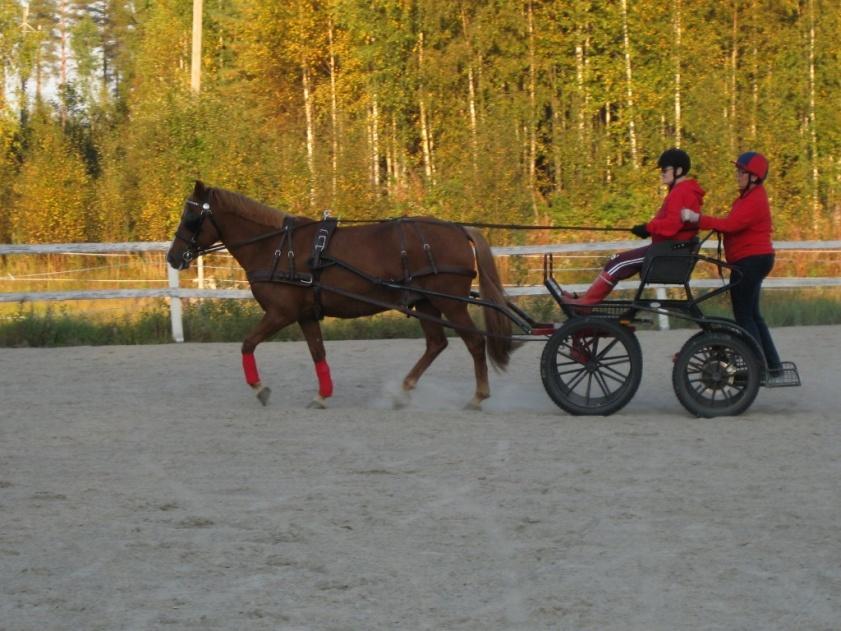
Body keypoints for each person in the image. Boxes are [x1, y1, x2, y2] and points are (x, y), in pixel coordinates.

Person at [562, 147, 705, 307]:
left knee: (617, 263)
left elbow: (672, 225)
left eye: (665, 169)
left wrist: (648, 228)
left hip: (668, 252)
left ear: (678, 170)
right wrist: (648, 229)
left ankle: (586, 304)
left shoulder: (681, 193)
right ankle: (587, 298)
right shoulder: (683, 191)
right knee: (618, 262)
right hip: (667, 249)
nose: (662, 173)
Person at [680, 151, 782, 374]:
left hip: (751, 261)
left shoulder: (754, 199)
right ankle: (772, 365)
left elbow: (731, 225)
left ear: (753, 176)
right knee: (753, 315)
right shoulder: (748, 198)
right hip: (754, 260)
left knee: (745, 315)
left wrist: (697, 218)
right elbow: (730, 225)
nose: (737, 175)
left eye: (741, 171)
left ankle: (758, 367)